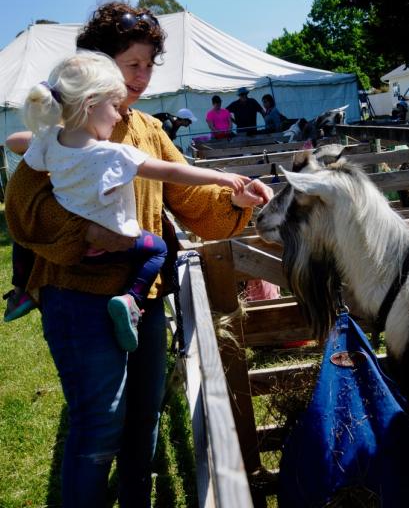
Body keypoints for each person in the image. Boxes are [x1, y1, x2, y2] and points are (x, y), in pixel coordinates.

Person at [4, 2, 272, 507]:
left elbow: (188, 195)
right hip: (77, 296)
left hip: (142, 297)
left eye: (150, 64)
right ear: (101, 67)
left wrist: (232, 199)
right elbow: (22, 207)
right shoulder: (59, 134)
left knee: (144, 416)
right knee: (99, 423)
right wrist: (85, 234)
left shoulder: (148, 129)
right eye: (133, 65)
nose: (144, 76)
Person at [7, 52, 250, 354]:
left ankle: (21, 288)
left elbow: (13, 144)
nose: (119, 114)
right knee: (158, 248)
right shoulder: (115, 153)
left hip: (73, 249)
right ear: (90, 104)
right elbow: (173, 171)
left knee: (23, 238)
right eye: (113, 106)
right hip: (117, 242)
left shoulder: (48, 142)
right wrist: (219, 177)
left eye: (148, 65)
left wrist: (48, 134)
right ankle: (131, 299)